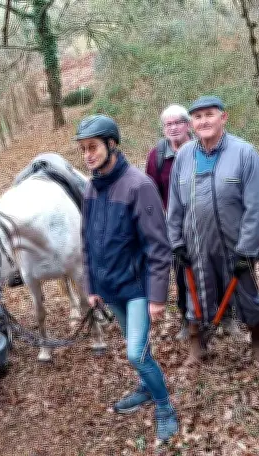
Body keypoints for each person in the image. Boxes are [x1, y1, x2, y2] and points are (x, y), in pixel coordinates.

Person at [77, 114, 179, 442]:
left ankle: (164, 406)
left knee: (136, 352)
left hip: (137, 288)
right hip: (110, 287)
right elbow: (88, 241)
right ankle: (145, 387)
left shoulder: (139, 186)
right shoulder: (92, 188)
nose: (88, 155)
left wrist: (157, 296)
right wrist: (92, 287)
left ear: (112, 145)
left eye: (93, 147)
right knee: (136, 347)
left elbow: (159, 246)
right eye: (83, 149)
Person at [166, 95, 259, 366]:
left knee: (246, 292)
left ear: (223, 117)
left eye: (209, 115)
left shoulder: (244, 153)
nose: (204, 121)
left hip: (235, 243)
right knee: (195, 293)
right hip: (195, 242)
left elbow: (256, 205)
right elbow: (175, 202)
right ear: (192, 123)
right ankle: (197, 345)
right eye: (198, 117)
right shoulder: (184, 155)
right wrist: (175, 241)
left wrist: (248, 248)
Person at [145, 104, 193, 340]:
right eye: (168, 124)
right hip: (173, 226)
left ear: (188, 125)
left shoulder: (200, 148)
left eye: (178, 123)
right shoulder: (157, 156)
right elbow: (151, 192)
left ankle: (225, 315)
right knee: (182, 272)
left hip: (205, 221)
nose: (173, 128)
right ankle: (187, 317)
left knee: (218, 269)